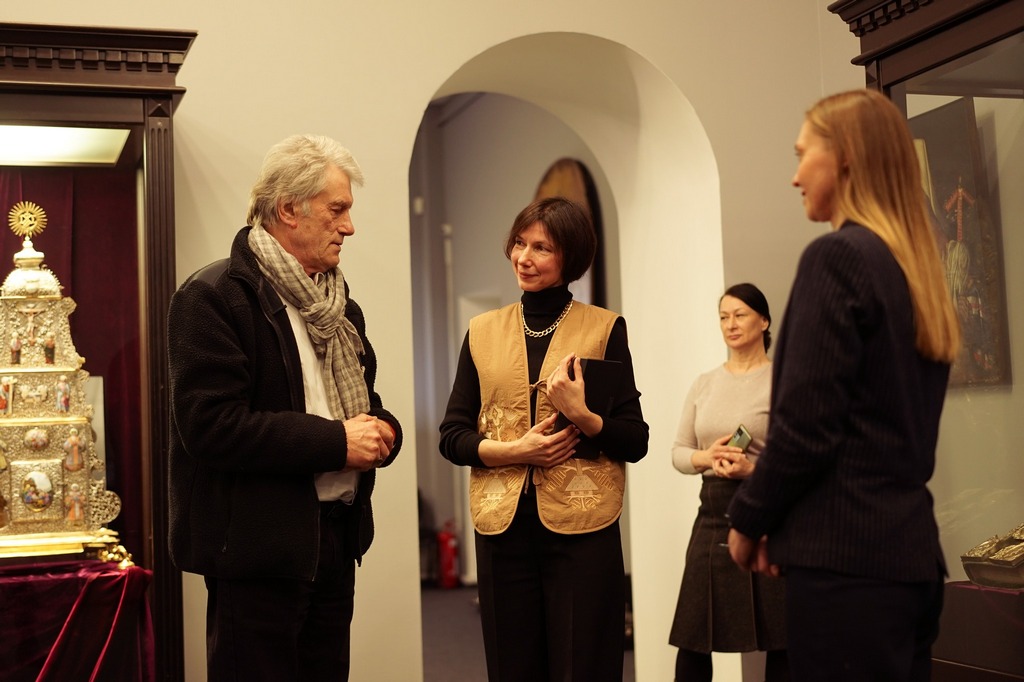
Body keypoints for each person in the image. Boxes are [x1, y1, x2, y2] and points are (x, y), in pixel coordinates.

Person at [727, 89, 961, 682]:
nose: (795, 176)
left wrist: (749, 518)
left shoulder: (837, 258)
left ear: (846, 156)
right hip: (911, 556)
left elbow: (806, 429)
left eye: (803, 154)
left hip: (847, 569)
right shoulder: (915, 269)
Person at [167, 134, 402, 681]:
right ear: (289, 209)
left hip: (334, 542)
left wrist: (384, 430)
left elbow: (365, 405)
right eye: (337, 210)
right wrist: (338, 442)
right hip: (256, 551)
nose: (349, 227)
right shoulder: (213, 295)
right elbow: (211, 427)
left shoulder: (339, 307)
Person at [439, 197, 649, 681]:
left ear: (569, 257)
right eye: (519, 243)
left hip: (584, 531)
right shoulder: (481, 331)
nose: (524, 257)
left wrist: (583, 416)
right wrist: (516, 452)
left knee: (584, 668)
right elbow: (452, 436)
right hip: (503, 531)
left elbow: (636, 440)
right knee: (512, 668)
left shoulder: (604, 329)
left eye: (541, 248)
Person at [669, 283, 787, 681]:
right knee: (692, 636)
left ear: (764, 321)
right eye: (723, 317)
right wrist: (708, 457)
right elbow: (679, 452)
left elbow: (797, 456)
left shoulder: (782, 380)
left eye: (740, 315)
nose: (730, 324)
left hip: (769, 512)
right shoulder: (704, 383)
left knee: (784, 635)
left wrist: (752, 470)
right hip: (713, 513)